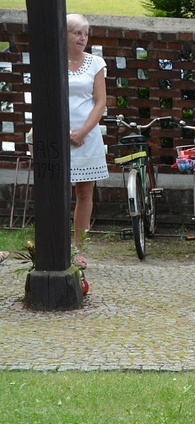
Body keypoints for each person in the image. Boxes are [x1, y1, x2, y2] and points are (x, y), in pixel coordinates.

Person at [66, 14, 108, 251]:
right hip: (60, 136)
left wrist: (82, 132)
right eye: (77, 33)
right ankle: (56, 247)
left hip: (88, 136)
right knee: (58, 193)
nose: (82, 38)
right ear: (65, 34)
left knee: (85, 193)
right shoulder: (54, 60)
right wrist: (64, 132)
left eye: (85, 34)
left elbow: (100, 102)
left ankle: (78, 249)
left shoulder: (95, 62)